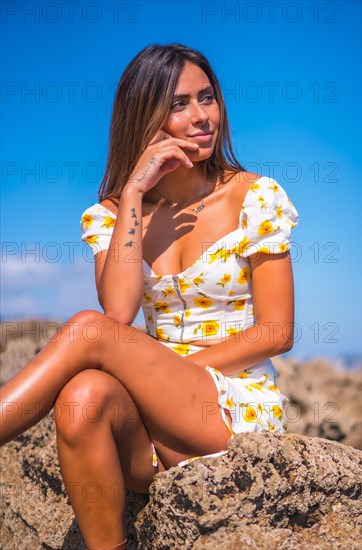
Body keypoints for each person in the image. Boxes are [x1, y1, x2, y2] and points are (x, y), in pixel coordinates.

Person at [0, 43, 299, 550]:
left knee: (90, 332)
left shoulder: (255, 196)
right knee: (81, 397)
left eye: (207, 98)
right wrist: (135, 191)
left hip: (230, 412)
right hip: (151, 433)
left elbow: (276, 332)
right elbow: (119, 311)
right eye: (179, 104)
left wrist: (173, 373)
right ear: (145, 118)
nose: (202, 116)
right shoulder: (114, 214)